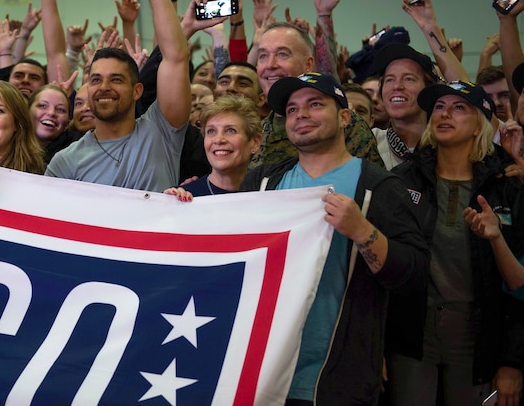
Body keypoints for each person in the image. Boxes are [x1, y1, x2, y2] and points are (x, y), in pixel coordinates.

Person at [243, 72, 428, 405]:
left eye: (315, 105)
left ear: (345, 117)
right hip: (259, 369)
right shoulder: (263, 181)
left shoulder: (378, 187)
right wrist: (181, 207)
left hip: (338, 375)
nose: (302, 115)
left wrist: (362, 230)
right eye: (293, 109)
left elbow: (413, 274)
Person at [387, 80, 524, 406]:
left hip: (478, 340)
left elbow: (519, 293)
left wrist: (513, 360)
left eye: (459, 107)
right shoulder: (401, 180)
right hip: (411, 337)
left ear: (481, 121)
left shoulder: (506, 184)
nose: (444, 113)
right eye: (438, 106)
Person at [45, 0, 191, 192]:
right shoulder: (64, 163)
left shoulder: (161, 131)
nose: (104, 88)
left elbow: (174, 58)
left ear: (137, 91)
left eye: (116, 80)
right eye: (96, 79)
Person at [250, 21, 383, 168]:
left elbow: (373, 185)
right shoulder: (254, 131)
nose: (270, 65)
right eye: (262, 56)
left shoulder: (342, 123)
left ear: (308, 64)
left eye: (282, 54)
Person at [165, 95, 260, 199]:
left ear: (255, 142)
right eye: (211, 131)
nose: (218, 140)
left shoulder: (270, 192)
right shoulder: (180, 197)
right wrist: (169, 206)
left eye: (230, 130)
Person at [28, 84, 80, 164]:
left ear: (67, 123)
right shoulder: (9, 143)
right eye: (42, 106)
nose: (51, 113)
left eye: (60, 109)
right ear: (27, 111)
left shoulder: (77, 148)